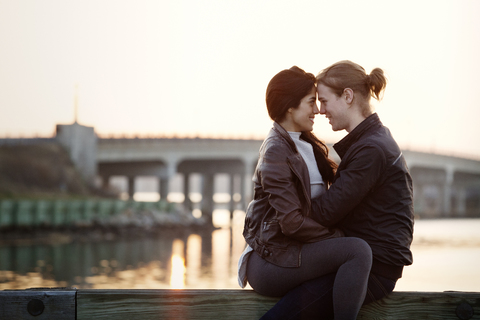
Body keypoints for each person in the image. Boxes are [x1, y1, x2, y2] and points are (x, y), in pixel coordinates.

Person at [260, 60, 414, 319]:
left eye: (324, 101)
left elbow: (327, 211)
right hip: (357, 261)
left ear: (348, 96)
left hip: (369, 268)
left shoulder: (371, 149)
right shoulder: (371, 140)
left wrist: (289, 219)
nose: (320, 110)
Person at [238, 66, 374, 320]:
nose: (318, 110)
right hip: (270, 261)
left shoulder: (306, 143)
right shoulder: (276, 151)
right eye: (312, 102)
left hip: (295, 251)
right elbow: (290, 223)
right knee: (357, 251)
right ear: (290, 106)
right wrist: (337, 236)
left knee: (345, 265)